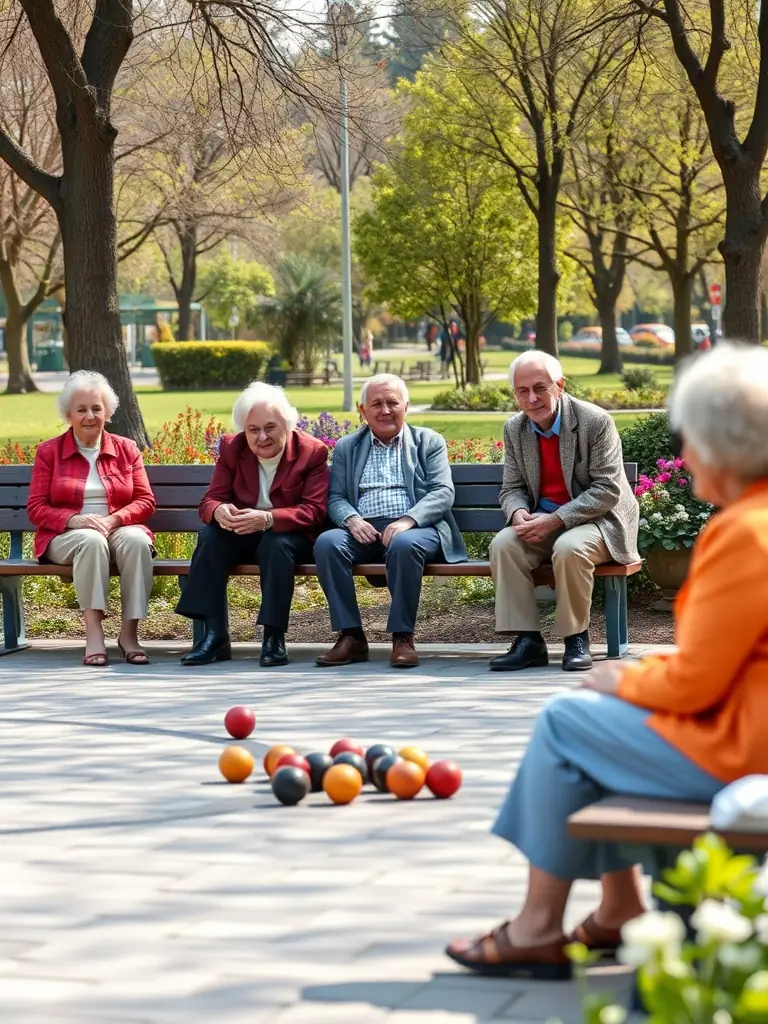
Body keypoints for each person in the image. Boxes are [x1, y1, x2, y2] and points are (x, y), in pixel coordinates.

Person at [446, 342, 768, 978]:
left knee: (568, 722)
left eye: (687, 438)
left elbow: (695, 681)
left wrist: (629, 674)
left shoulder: (743, 532)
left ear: (717, 444)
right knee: (597, 721)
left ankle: (539, 926)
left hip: (745, 745)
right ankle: (617, 908)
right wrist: (521, 516)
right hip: (744, 720)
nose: (682, 453)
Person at [489, 351, 639, 672]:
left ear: (559, 385)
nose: (532, 399)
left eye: (540, 388)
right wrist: (517, 514)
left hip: (598, 520)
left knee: (569, 547)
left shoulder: (594, 422)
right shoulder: (515, 429)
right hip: (542, 521)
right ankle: (528, 641)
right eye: (522, 391)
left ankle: (576, 639)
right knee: (503, 545)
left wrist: (556, 519)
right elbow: (511, 488)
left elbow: (608, 490)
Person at [313, 373, 467, 669]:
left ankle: (402, 637)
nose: (385, 410)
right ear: (363, 411)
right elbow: (335, 498)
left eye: (392, 402)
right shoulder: (348, 446)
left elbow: (443, 492)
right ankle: (351, 636)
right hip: (364, 529)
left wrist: (408, 520)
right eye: (377, 404)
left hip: (417, 529)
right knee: (328, 542)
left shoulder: (428, 442)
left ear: (406, 406)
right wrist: (352, 520)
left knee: (403, 545)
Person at [176, 382, 329, 668]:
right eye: (253, 429)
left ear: (288, 425)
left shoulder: (312, 452)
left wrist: (269, 518)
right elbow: (210, 500)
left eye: (270, 428)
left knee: (276, 543)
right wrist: (220, 510)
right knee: (210, 536)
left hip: (292, 537)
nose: (261, 437)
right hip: (244, 533)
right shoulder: (233, 448)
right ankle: (214, 637)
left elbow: (314, 512)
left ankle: (274, 638)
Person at [26, 370, 156, 666]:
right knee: (91, 539)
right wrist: (75, 520)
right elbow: (36, 508)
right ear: (68, 414)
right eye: (81, 409)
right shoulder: (49, 452)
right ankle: (94, 633)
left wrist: (114, 520)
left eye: (96, 408)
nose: (89, 416)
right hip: (66, 536)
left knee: (137, 541)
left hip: (118, 527)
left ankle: (129, 634)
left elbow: (145, 500)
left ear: (107, 412)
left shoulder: (127, 449)